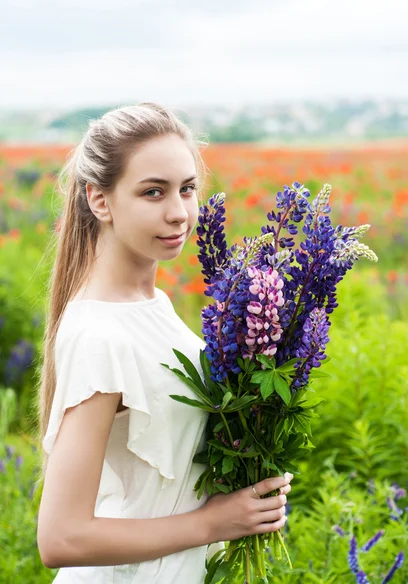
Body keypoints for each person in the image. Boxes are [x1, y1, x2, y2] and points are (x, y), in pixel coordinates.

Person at [35, 102, 293, 583]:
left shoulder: (153, 306)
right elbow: (60, 538)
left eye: (187, 189)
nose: (180, 213)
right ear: (100, 200)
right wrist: (212, 522)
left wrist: (246, 482)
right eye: (153, 192)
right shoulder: (100, 335)